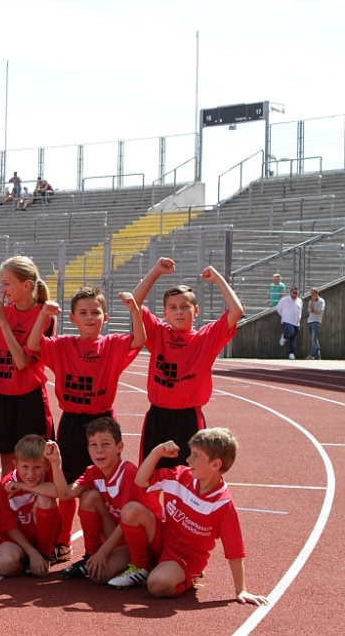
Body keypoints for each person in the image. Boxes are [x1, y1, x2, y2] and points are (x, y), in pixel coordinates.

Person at [26, 286, 145, 562]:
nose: (90, 317)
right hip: (72, 422)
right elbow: (33, 345)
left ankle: (102, 545)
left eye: (95, 312)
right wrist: (43, 315)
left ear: (105, 317)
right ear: (72, 318)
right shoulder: (62, 345)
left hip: (102, 422)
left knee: (103, 486)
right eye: (83, 313)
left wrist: (134, 310)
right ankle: (64, 542)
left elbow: (140, 339)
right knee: (68, 484)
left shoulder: (112, 344)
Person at [109, 429, 269, 606]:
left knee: (156, 585)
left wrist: (241, 590)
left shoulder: (223, 504)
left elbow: (235, 551)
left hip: (187, 557)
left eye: (195, 456)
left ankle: (188, 579)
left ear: (215, 464)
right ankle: (141, 568)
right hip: (163, 538)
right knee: (131, 511)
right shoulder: (180, 476)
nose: (188, 460)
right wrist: (157, 452)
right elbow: (141, 481)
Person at [131, 258, 244, 467]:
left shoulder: (206, 338)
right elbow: (134, 302)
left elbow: (236, 311)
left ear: (196, 310)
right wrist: (156, 271)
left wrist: (218, 278)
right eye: (173, 308)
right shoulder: (158, 333)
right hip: (157, 417)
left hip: (189, 418)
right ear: (165, 313)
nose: (179, 312)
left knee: (189, 476)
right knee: (150, 475)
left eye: (185, 307)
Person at [47, 418, 163, 583]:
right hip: (124, 538)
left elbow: (130, 519)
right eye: (93, 445)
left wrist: (104, 552)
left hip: (146, 538)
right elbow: (65, 494)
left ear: (119, 447)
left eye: (105, 444)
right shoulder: (93, 472)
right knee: (89, 497)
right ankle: (91, 556)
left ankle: (142, 566)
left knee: (128, 512)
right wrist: (55, 462)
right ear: (88, 449)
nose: (99, 450)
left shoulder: (128, 472)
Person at [0, 256, 56, 477]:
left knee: (35, 462)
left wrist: (3, 322)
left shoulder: (43, 315)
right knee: (8, 462)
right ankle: (10, 500)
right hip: (1, 397)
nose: (2, 289)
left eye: (7, 283)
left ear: (26, 285)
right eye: (1, 283)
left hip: (29, 398)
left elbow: (22, 362)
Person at [0, 434, 61, 578]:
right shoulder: (6, 485)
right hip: (18, 538)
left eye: (37, 467)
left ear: (46, 465)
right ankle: (27, 561)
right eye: (25, 467)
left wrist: (23, 486)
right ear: (15, 464)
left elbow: (58, 492)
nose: (30, 474)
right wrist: (31, 553)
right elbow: (10, 528)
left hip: (42, 535)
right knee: (5, 566)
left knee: (46, 498)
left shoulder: (49, 475)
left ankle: (45, 554)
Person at [275, 286, 303, 359]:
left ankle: (291, 353)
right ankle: (284, 336)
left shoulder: (299, 301)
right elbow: (278, 309)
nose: (295, 294)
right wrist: (284, 316)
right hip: (287, 321)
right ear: (290, 292)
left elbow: (300, 310)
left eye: (296, 293)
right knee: (291, 331)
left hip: (296, 322)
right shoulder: (284, 300)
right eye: (293, 292)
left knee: (293, 338)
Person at [306, 287, 324, 359]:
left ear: (317, 293)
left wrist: (312, 311)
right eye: (312, 293)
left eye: (314, 293)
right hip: (310, 321)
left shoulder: (321, 301)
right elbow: (309, 310)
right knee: (314, 339)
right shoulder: (311, 302)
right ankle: (318, 355)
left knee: (314, 339)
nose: (313, 295)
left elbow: (319, 311)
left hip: (316, 321)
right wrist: (312, 302)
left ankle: (311, 354)